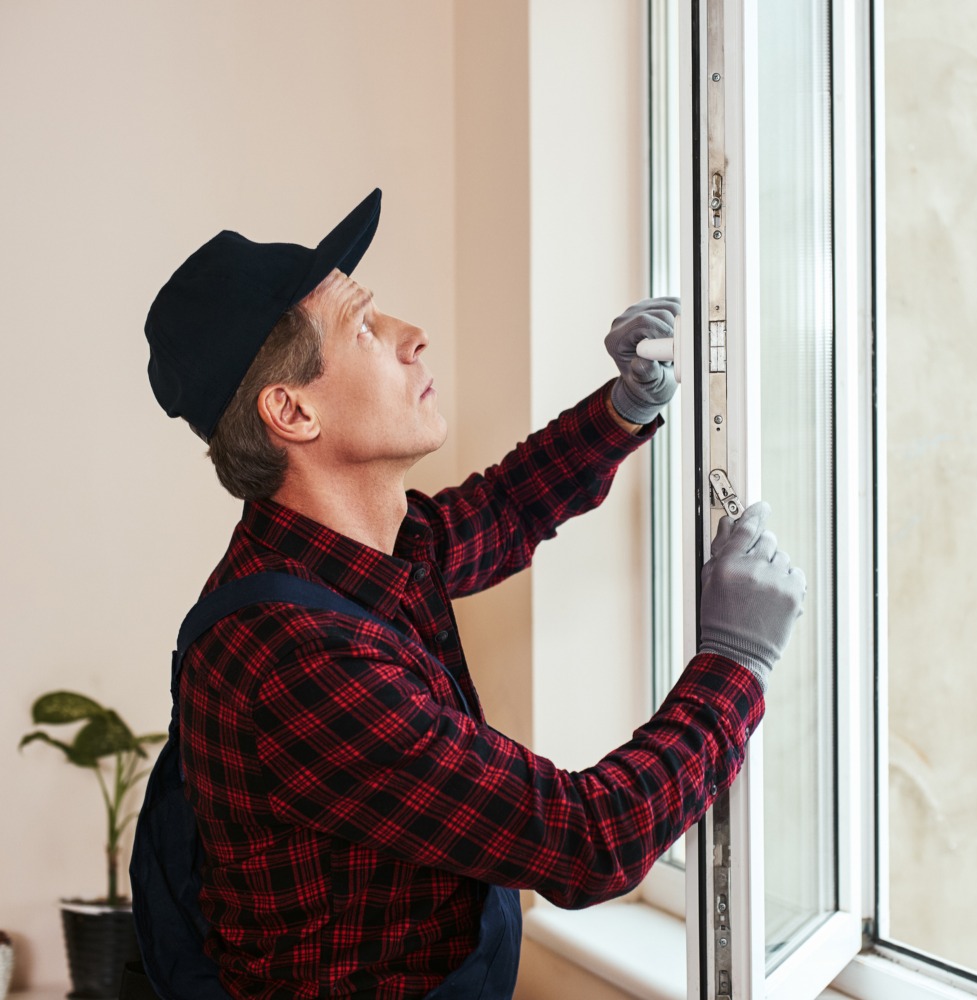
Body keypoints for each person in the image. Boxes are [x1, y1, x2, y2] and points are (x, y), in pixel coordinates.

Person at [140, 188, 805, 999]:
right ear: (292, 410)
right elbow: (587, 840)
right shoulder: (296, 660)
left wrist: (625, 407)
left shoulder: (348, 554)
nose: (413, 338)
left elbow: (501, 509)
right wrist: (735, 665)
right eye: (363, 328)